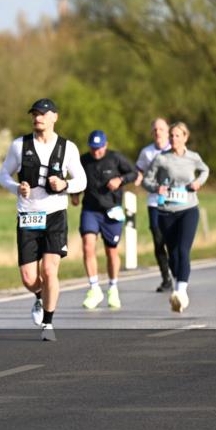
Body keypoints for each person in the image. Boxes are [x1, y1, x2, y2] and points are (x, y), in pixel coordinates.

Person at [0, 98, 87, 341]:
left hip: (55, 215)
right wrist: (17, 188)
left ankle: (48, 323)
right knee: (29, 279)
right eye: (35, 114)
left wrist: (65, 185)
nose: (38, 118)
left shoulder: (68, 148)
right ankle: (39, 295)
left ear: (54, 117)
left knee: (49, 270)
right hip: (28, 215)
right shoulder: (19, 145)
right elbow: (3, 175)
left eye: (43, 114)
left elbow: (82, 180)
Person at [142, 122, 209, 313]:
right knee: (172, 254)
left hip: (188, 209)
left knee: (183, 249)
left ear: (185, 137)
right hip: (166, 211)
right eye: (171, 135)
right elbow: (147, 180)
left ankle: (180, 291)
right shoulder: (161, 158)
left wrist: (198, 182)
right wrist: (156, 188)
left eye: (178, 135)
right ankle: (178, 284)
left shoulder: (193, 157)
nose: (173, 139)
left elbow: (205, 170)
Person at [71, 130, 137, 310]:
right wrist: (75, 195)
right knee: (88, 246)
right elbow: (77, 180)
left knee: (111, 251)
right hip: (90, 210)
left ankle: (113, 288)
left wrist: (120, 179)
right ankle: (94, 288)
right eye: (93, 148)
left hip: (112, 211)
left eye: (99, 148)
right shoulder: (83, 160)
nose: (96, 152)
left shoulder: (115, 158)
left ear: (105, 145)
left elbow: (134, 173)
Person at [135, 118, 173, 291]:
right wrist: (136, 179)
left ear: (167, 131)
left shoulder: (175, 150)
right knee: (158, 240)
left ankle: (178, 274)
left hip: (175, 201)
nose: (158, 132)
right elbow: (139, 171)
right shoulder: (147, 152)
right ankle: (166, 278)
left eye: (161, 129)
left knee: (173, 241)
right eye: (155, 129)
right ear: (152, 132)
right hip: (154, 202)